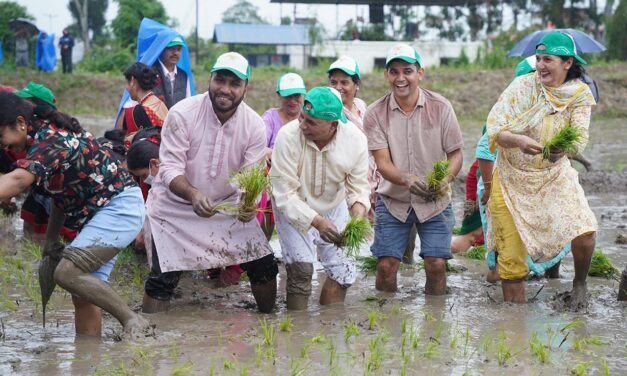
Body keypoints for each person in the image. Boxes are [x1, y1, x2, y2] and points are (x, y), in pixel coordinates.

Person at [0, 93, 150, 337]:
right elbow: (60, 196)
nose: (3, 146)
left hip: (119, 208)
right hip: (98, 215)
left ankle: (132, 319)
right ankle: (88, 360)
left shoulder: (51, 140)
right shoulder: (36, 144)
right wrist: (51, 241)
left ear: (20, 123)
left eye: (1, 137)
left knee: (67, 273)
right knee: (82, 295)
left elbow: (17, 180)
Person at [141, 52, 278, 314]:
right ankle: (147, 336)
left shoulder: (254, 126)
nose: (225, 89)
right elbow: (169, 168)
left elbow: (250, 176)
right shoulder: (183, 113)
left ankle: (269, 327)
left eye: (234, 83)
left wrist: (247, 202)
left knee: (264, 266)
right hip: (175, 208)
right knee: (163, 278)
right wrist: (192, 194)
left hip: (226, 208)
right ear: (210, 79)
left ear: (246, 88)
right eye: (220, 80)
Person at [485, 31, 597, 307]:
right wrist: (519, 140)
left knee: (584, 228)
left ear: (567, 63)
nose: (541, 65)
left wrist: (565, 149)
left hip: (553, 174)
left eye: (548, 59)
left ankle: (580, 283)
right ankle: (515, 326)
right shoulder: (523, 86)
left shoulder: (580, 95)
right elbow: (495, 129)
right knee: (511, 261)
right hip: (511, 177)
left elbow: (580, 136)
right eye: (539, 59)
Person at [364, 44, 463, 295]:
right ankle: (387, 324)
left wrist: (447, 178)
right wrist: (406, 178)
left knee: (436, 264)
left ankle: (435, 324)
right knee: (386, 266)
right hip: (393, 200)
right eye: (394, 71)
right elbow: (383, 163)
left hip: (435, 200)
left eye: (407, 71)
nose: (400, 78)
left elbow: (456, 154)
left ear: (420, 73)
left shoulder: (441, 107)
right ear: (386, 75)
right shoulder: (375, 113)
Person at [269, 86, 370, 310]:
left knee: (342, 272)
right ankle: (297, 332)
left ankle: (328, 330)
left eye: (312, 123)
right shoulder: (287, 136)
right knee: (301, 271)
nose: (302, 125)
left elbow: (359, 187)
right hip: (294, 204)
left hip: (333, 205)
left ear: (334, 124)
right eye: (302, 118)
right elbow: (284, 193)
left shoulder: (355, 141)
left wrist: (358, 217)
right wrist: (317, 222)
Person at [258, 72, 307, 239]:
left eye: (296, 96)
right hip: (272, 176)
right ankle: (264, 244)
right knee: (266, 201)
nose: (292, 101)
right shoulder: (271, 117)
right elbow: (258, 142)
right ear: (279, 96)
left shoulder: (308, 119)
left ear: (303, 96)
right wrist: (267, 150)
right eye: (287, 96)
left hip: (299, 175)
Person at [115, 62, 168, 144]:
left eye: (126, 83)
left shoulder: (137, 111)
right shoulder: (160, 103)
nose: (126, 88)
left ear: (132, 81)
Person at [152, 37, 191, 109]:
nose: (175, 53)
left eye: (178, 49)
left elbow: (188, 104)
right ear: (161, 49)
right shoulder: (150, 73)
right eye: (171, 48)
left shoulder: (183, 75)